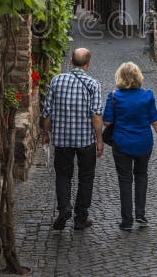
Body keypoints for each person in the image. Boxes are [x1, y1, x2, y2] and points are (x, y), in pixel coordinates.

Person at [41, 48, 104, 231]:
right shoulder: (93, 84)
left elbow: (47, 111)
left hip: (61, 140)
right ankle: (80, 217)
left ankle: (64, 209)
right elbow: (96, 115)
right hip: (85, 140)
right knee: (86, 177)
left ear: (71, 61)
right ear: (88, 63)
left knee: (62, 175)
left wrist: (46, 133)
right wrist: (99, 140)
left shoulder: (56, 80)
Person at [103, 62, 157, 231]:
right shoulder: (148, 95)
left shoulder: (114, 96)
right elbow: (155, 122)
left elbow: (107, 121)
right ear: (138, 76)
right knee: (141, 176)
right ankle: (141, 214)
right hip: (143, 143)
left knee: (125, 181)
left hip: (121, 142)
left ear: (120, 77)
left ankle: (126, 221)